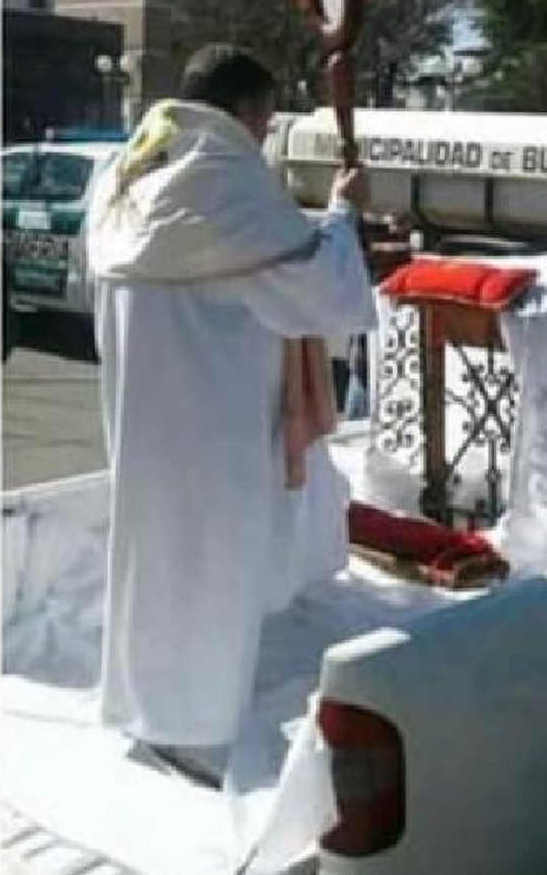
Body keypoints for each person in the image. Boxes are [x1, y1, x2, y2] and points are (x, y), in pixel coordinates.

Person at [85, 45, 376, 766]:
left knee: (152, 563)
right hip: (210, 417)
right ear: (243, 112)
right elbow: (320, 287)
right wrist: (344, 212)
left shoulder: (126, 169)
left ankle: (143, 705)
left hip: (141, 408)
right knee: (207, 569)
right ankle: (192, 730)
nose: (264, 136)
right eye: (266, 120)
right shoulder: (219, 178)